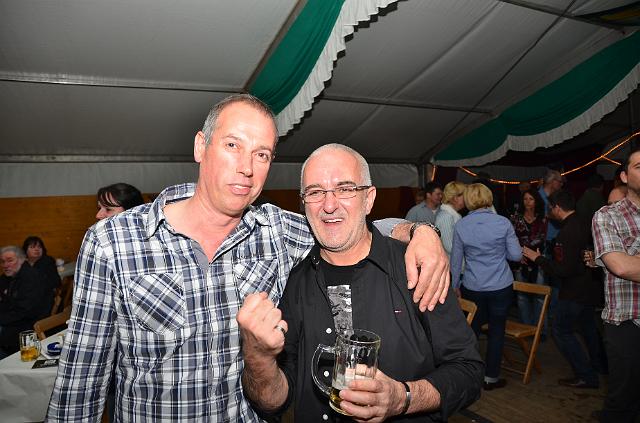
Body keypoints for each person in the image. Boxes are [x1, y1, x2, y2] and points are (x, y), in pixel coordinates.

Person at [46, 94, 450, 421]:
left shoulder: (277, 231)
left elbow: (348, 226)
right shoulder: (113, 242)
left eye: (262, 155)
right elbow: (81, 383)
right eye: (233, 145)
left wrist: (421, 232)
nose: (246, 168)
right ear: (201, 146)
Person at [237, 144, 482, 422]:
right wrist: (258, 359)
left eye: (345, 189)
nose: (329, 205)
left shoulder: (415, 267)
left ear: (369, 199)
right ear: (303, 204)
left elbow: (468, 371)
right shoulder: (295, 281)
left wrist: (403, 398)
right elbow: (274, 401)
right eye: (315, 192)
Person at [523, 190, 602, 389]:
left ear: (557, 208)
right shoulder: (584, 222)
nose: (549, 212)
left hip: (574, 291)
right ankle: (601, 366)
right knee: (589, 328)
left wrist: (537, 258)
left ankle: (586, 375)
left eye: (550, 208)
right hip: (590, 287)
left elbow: (562, 270)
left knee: (561, 330)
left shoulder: (566, 233)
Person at [451, 183, 522, 390]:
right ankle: (491, 378)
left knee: (471, 332)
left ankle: (467, 375)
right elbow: (516, 255)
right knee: (497, 331)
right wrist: (499, 252)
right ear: (488, 198)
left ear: (468, 200)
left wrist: (454, 286)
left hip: (473, 286)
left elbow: (456, 262)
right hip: (500, 286)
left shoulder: (461, 225)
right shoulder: (503, 223)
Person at [591, 145, 640, 422]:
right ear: (624, 176)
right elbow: (620, 266)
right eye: (639, 167)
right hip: (627, 322)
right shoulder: (608, 215)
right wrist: (625, 261)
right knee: (623, 405)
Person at [0, 246, 51, 357]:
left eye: (10, 260)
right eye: (2, 261)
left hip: (29, 326)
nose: (5, 265)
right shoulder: (10, 276)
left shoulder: (30, 277)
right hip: (15, 319)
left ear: (22, 259)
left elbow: (24, 311)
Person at [510, 189, 547, 334]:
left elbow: (542, 238)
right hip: (521, 261)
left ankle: (540, 331)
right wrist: (519, 254)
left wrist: (534, 255)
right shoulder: (516, 218)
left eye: (531, 199)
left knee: (540, 296)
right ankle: (526, 329)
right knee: (522, 297)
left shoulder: (542, 218)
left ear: (536, 201)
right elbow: (511, 239)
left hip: (538, 260)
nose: (528, 202)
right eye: (525, 199)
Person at [434, 181, 466, 256]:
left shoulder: (452, 215)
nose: (467, 198)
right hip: (450, 261)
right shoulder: (446, 217)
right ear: (455, 198)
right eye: (464, 195)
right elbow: (450, 246)